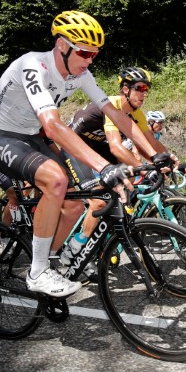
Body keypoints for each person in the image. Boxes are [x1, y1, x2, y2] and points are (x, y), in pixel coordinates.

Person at [0, 11, 169, 298]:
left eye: (94, 55)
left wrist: (155, 155)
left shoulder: (81, 75)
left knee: (75, 204)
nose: (89, 60)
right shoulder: (33, 65)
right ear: (62, 45)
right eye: (84, 53)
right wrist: (105, 166)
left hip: (29, 136)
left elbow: (116, 115)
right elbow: (53, 126)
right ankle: (37, 271)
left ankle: (50, 259)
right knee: (56, 181)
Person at [64, 67, 175, 272]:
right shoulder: (111, 105)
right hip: (75, 147)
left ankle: (103, 239)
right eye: (140, 88)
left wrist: (171, 160)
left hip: (99, 147)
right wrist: (143, 169)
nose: (144, 93)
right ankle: (76, 247)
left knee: (128, 180)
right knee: (98, 201)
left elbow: (150, 144)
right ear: (125, 89)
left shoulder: (137, 114)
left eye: (146, 90)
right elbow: (116, 147)